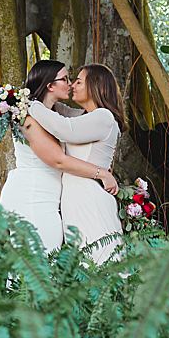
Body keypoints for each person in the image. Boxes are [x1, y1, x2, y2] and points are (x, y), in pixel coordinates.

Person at [0, 59, 118, 253]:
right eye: (66, 79)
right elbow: (58, 159)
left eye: (76, 80)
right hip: (32, 193)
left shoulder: (55, 115)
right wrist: (102, 173)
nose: (71, 84)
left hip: (54, 197)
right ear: (50, 86)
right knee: (37, 266)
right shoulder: (27, 117)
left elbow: (71, 123)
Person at [28, 63, 124, 264]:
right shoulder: (84, 117)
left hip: (90, 197)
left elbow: (64, 128)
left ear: (96, 86)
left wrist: (28, 104)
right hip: (74, 199)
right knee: (83, 262)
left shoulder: (103, 117)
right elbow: (56, 111)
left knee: (102, 257)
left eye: (79, 81)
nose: (72, 86)